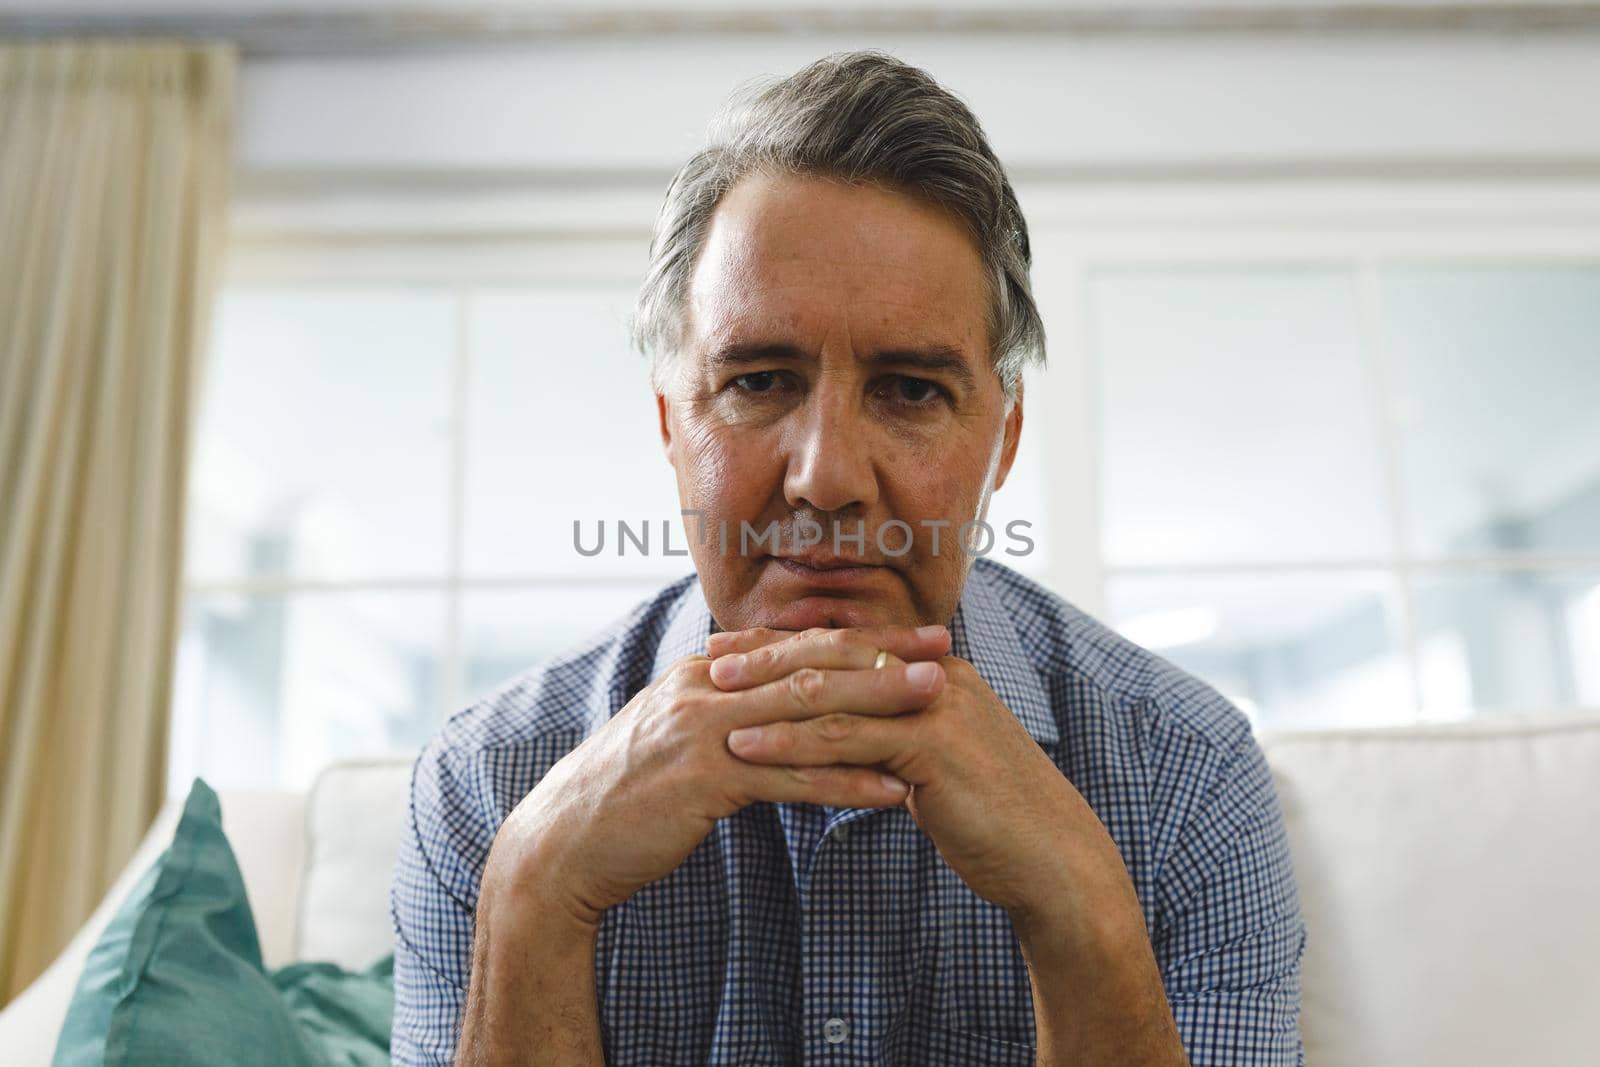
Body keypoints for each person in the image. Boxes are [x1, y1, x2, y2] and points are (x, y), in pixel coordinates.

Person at [391, 50, 1305, 1066]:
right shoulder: (485, 788)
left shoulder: (1187, 776)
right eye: (759, 379)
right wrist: (531, 892)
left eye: (910, 389)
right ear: (669, 424)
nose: (825, 479)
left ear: (1000, 442)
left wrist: (1084, 905)